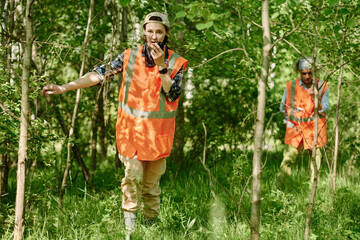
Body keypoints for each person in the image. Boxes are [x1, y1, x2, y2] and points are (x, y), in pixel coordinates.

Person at [42, 12, 188, 235]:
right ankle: (129, 232)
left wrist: (161, 67)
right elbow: (98, 75)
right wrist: (65, 87)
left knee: (151, 187)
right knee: (132, 178)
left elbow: (172, 94)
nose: (154, 36)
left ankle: (150, 230)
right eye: (150, 31)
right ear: (144, 32)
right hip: (131, 134)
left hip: (158, 137)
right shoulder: (129, 56)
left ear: (166, 33)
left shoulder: (176, 62)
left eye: (159, 32)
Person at [276, 57, 329, 189]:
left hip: (314, 129)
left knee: (315, 161)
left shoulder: (322, 86)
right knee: (288, 159)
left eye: (310, 73)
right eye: (303, 73)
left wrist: (314, 97)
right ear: (299, 72)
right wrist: (290, 119)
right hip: (295, 129)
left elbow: (326, 109)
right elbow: (282, 107)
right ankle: (279, 191)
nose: (307, 76)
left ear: (314, 71)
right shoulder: (291, 86)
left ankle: (313, 192)